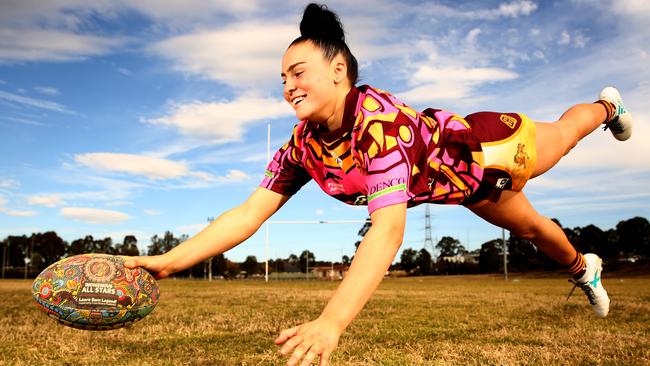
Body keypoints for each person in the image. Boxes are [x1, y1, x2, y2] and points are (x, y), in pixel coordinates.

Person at [126, 3, 633, 366]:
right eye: (281, 79)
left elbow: (388, 230)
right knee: (538, 234)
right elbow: (248, 213)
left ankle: (609, 107)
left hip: (484, 149)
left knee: (563, 140)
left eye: (297, 73)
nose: (287, 87)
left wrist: (332, 322)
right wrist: (170, 262)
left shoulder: (377, 123)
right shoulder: (303, 146)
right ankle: (586, 270)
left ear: (339, 70)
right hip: (460, 189)